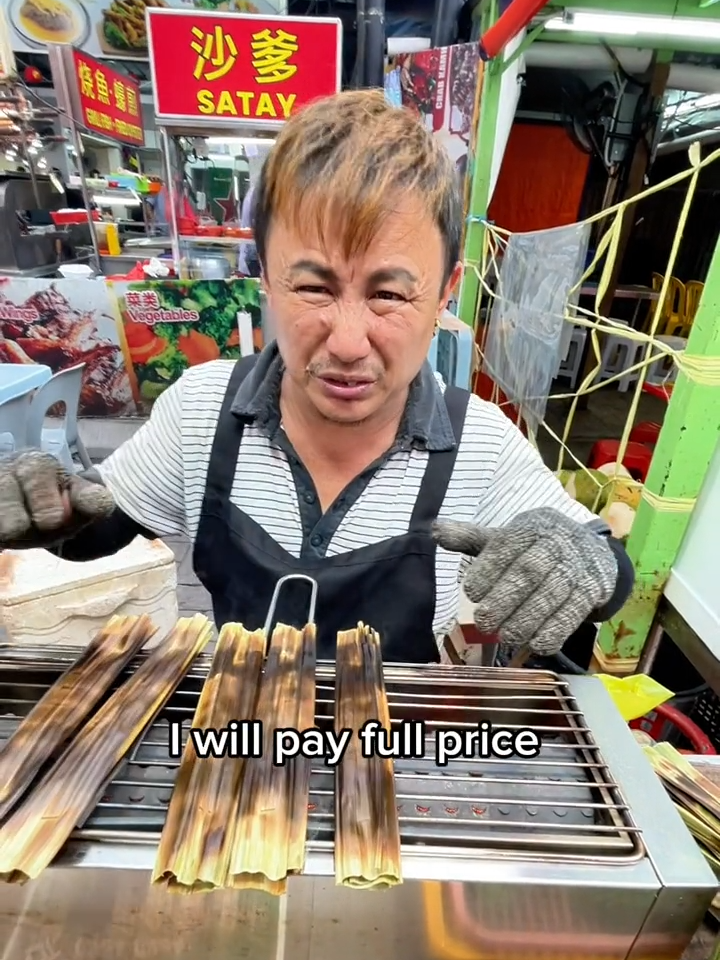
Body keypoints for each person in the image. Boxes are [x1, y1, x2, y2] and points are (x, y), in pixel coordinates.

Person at [0, 90, 633, 664]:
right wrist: (51, 510)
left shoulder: (481, 447)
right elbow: (99, 527)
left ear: (445, 293)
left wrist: (586, 561)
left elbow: (608, 565)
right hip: (236, 743)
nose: (350, 343)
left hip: (396, 748)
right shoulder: (201, 410)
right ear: (267, 280)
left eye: (389, 295)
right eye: (312, 287)